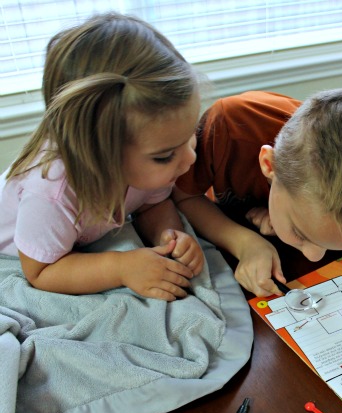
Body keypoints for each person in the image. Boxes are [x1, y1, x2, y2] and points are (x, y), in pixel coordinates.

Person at [0, 13, 205, 301]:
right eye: (165, 156)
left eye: (190, 136)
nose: (189, 159)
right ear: (100, 157)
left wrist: (169, 236)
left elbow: (151, 205)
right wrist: (120, 267)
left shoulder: (149, 162)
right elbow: (40, 272)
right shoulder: (50, 194)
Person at [174, 86, 342, 296]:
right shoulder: (231, 124)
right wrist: (244, 243)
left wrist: (280, 221)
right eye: (300, 234)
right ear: (269, 164)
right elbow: (183, 196)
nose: (314, 256)